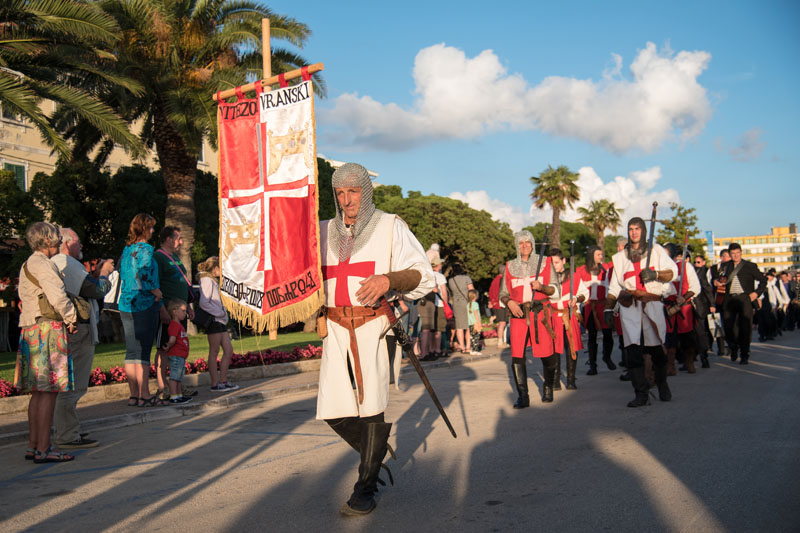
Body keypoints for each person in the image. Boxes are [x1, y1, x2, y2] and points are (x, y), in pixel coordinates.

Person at [317, 163, 434, 516]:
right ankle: (375, 454)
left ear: (365, 191)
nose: (346, 199)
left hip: (372, 326)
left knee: (371, 406)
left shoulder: (389, 226)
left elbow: (423, 275)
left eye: (353, 191)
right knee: (333, 409)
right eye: (340, 192)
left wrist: (388, 279)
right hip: (334, 326)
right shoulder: (322, 230)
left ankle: (364, 488)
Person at [16, 222, 77, 463]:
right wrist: (71, 317)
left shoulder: (28, 263)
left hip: (31, 329)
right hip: (47, 329)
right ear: (48, 241)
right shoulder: (43, 264)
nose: (60, 242)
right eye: (56, 238)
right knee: (49, 392)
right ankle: (44, 448)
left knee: (37, 393)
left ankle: (34, 446)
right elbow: (58, 296)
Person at [52, 228, 114, 449]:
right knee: (74, 384)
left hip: (61, 329)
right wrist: (105, 274)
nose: (81, 247)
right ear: (67, 243)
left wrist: (95, 274)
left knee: (63, 384)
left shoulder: (54, 263)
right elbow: (97, 290)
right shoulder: (67, 262)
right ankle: (67, 434)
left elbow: (83, 287)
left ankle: (65, 428)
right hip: (78, 330)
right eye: (78, 242)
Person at [607, 217, 678, 407]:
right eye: (630, 229)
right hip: (629, 308)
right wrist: (609, 306)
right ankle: (641, 393)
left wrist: (655, 274)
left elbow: (673, 271)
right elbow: (614, 286)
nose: (634, 232)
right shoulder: (621, 257)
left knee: (657, 351)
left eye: (637, 228)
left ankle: (662, 383)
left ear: (644, 230)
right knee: (633, 352)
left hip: (651, 305)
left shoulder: (655, 251)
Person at [499, 230, 558, 407]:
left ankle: (548, 386)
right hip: (518, 316)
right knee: (517, 356)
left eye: (527, 242)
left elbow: (555, 289)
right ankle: (523, 396)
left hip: (540, 314)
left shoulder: (545, 263)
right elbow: (503, 293)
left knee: (547, 354)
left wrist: (542, 287)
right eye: (521, 243)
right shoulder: (510, 266)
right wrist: (509, 302)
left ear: (532, 244)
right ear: (517, 246)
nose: (524, 245)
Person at [119, 213, 165, 407]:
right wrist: (157, 292)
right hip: (144, 303)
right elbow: (144, 272)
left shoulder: (127, 249)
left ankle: (133, 395)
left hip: (126, 303)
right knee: (144, 350)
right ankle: (144, 393)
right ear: (145, 228)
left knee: (131, 351)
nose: (153, 231)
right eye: (151, 227)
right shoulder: (145, 248)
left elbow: (124, 273)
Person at [153, 226, 195, 400]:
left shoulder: (175, 257)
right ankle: (164, 387)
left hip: (180, 312)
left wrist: (188, 306)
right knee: (164, 348)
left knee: (178, 348)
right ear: (168, 239)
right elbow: (155, 284)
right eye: (178, 238)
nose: (181, 241)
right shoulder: (158, 257)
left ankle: (177, 385)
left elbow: (182, 282)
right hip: (168, 312)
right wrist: (162, 308)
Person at [712, 243, 766, 364]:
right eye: (733, 254)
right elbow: (715, 277)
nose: (735, 255)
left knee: (745, 327)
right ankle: (733, 347)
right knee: (729, 327)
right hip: (729, 300)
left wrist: (756, 293)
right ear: (729, 254)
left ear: (741, 252)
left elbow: (763, 280)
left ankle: (744, 353)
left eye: (737, 253)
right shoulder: (725, 266)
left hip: (745, 299)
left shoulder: (750, 266)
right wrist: (715, 281)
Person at [196, 256, 239, 391]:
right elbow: (204, 302)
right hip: (214, 321)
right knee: (214, 351)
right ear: (215, 269)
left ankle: (223, 380)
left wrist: (222, 314)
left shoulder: (212, 281)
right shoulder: (207, 280)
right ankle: (215, 384)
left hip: (219, 320)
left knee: (228, 350)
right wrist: (219, 312)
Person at [549, 248, 585, 391]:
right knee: (554, 350)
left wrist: (575, 298)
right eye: (551, 263)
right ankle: (555, 381)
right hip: (553, 318)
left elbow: (584, 293)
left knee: (572, 348)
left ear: (563, 261)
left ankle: (571, 379)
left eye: (556, 262)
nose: (554, 266)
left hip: (568, 317)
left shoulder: (573, 276)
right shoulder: (546, 279)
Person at [576, 245, 615, 375]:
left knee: (608, 334)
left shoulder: (606, 269)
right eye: (598, 254)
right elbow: (576, 288)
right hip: (589, 307)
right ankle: (593, 365)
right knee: (591, 336)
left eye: (601, 254)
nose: (601, 257)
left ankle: (607, 357)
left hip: (603, 306)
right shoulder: (581, 270)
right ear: (592, 255)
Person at [663, 244, 701, 374]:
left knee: (688, 339)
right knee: (670, 339)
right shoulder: (661, 268)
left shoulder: (686, 267)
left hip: (684, 308)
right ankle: (671, 366)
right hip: (669, 308)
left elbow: (695, 287)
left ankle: (689, 362)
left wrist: (684, 298)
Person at [419, 250, 448, 360]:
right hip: (437, 304)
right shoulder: (439, 276)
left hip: (429, 303)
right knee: (438, 330)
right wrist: (446, 304)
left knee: (430, 330)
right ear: (437, 265)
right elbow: (443, 292)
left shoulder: (427, 274)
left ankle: (429, 350)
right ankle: (436, 350)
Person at [164, 299, 192, 404]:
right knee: (174, 377)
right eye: (183, 311)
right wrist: (169, 346)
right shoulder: (174, 325)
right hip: (176, 355)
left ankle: (179, 395)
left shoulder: (179, 325)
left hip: (180, 355)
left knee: (179, 377)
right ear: (175, 312)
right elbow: (172, 339)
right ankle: (174, 396)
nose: (185, 313)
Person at [692, 254, 716, 368]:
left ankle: (703, 356)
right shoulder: (689, 271)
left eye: (698, 262)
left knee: (701, 331)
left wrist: (712, 304)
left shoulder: (703, 272)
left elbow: (707, 289)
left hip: (701, 306)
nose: (696, 265)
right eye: (695, 262)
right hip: (689, 306)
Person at [447, 263, 475, 353]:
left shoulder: (450, 280)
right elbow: (471, 290)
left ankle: (462, 347)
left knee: (459, 326)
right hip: (467, 303)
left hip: (456, 304)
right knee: (468, 325)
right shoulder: (466, 278)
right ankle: (468, 346)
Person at [710, 249, 731, 356]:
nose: (728, 259)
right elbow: (708, 284)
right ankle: (721, 347)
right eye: (727, 256)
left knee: (729, 324)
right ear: (722, 257)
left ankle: (731, 347)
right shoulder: (714, 269)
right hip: (716, 300)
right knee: (717, 324)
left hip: (729, 301)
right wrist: (714, 282)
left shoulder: (732, 268)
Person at [488, 264, 508, 348]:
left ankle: (502, 340)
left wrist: (491, 302)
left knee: (501, 323)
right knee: (502, 323)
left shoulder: (494, 280)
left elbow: (491, 292)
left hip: (496, 304)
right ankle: (500, 341)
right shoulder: (502, 280)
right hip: (500, 304)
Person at [466, 289, 482, 355]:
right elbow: (476, 314)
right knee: (476, 336)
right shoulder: (475, 304)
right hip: (476, 323)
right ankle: (475, 350)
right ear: (475, 296)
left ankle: (472, 350)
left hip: (470, 323)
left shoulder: (468, 304)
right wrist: (479, 322)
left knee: (472, 336)